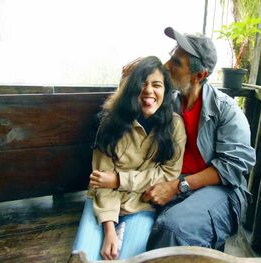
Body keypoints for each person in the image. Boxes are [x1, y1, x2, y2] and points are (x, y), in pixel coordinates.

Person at [143, 27, 256, 251]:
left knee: (173, 228)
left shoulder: (226, 111)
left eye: (176, 62)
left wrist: (177, 187)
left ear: (200, 75)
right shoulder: (168, 103)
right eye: (170, 57)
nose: (166, 66)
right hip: (175, 180)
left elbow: (231, 167)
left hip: (223, 190)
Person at [72, 56, 186, 261]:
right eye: (142, 84)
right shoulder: (111, 123)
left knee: (129, 260)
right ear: (131, 89)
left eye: (156, 85)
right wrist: (109, 230)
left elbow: (169, 174)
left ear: (165, 91)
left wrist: (118, 179)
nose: (149, 91)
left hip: (142, 204)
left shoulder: (175, 126)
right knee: (83, 258)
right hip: (103, 201)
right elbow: (100, 181)